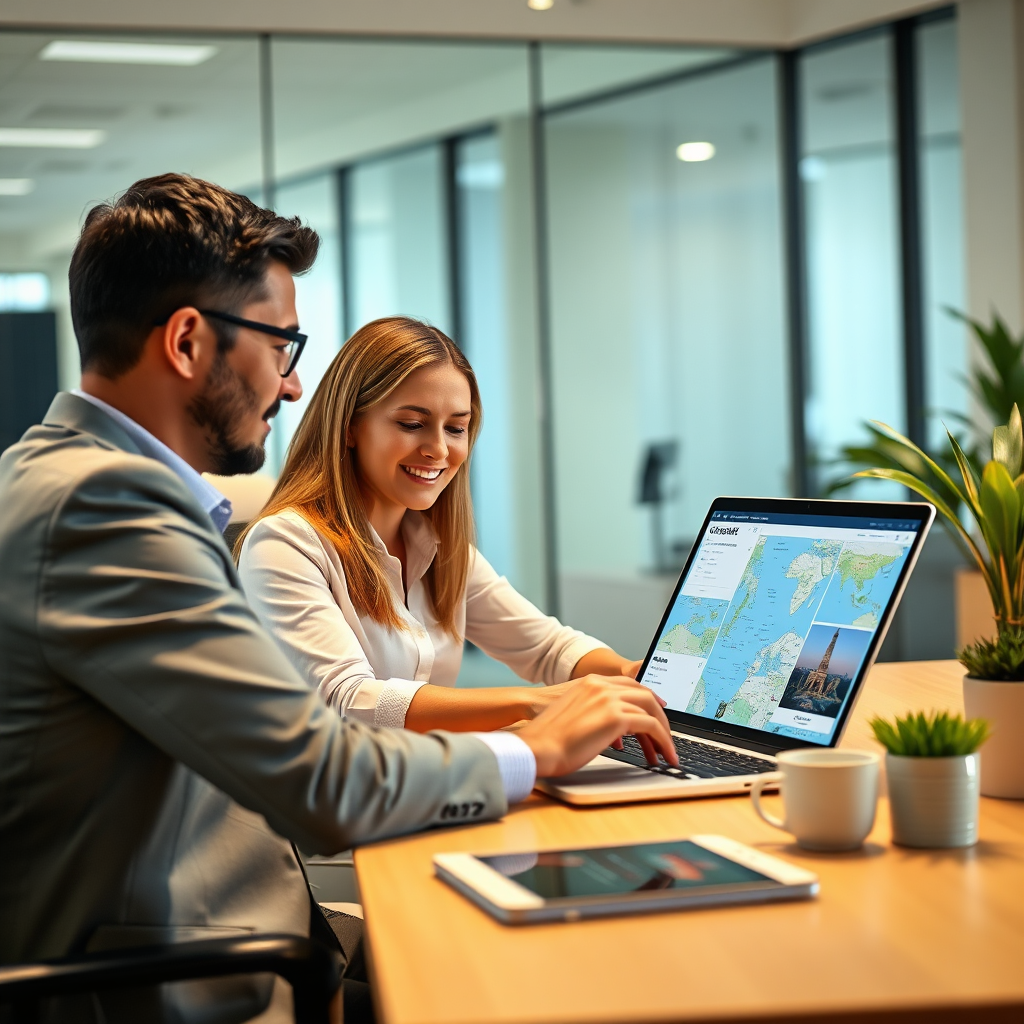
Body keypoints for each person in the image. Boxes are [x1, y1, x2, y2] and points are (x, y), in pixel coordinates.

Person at [0, 174, 677, 1024]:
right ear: (186, 343)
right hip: (165, 973)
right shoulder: (104, 511)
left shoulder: (65, 479)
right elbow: (323, 772)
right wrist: (535, 747)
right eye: (281, 347)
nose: (290, 387)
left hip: (224, 922)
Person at [237, 317, 656, 740]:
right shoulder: (284, 544)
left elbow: (548, 648)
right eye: (412, 424)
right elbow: (349, 700)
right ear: (350, 426)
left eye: (456, 428)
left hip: (419, 789)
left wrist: (628, 673)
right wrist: (532, 703)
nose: (438, 450)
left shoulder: (440, 550)